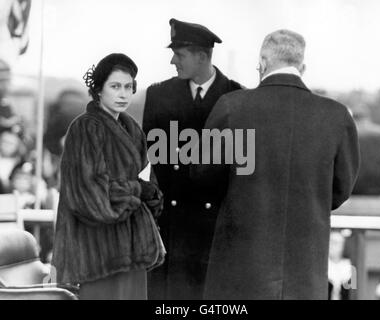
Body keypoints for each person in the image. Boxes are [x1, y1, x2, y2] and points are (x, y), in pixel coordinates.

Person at [193, 29, 360, 299]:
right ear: (302, 67)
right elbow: (341, 189)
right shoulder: (336, 116)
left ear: (263, 61)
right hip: (305, 274)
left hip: (240, 271)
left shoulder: (231, 107)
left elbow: (202, 176)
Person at [142, 18, 243, 300]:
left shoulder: (237, 96)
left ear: (202, 56)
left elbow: (240, 168)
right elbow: (151, 158)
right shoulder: (159, 95)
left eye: (180, 54)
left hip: (213, 232)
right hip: (170, 229)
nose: (173, 61)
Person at [51, 53, 165, 300]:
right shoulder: (84, 128)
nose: (123, 94)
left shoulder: (132, 128)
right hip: (99, 252)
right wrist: (137, 191)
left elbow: (145, 179)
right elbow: (89, 197)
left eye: (128, 87)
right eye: (115, 86)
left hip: (132, 250)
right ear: (99, 90)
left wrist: (149, 192)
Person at [328, 231, 353, 300]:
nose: (331, 246)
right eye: (330, 242)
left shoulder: (350, 266)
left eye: (335, 243)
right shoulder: (323, 266)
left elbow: (354, 290)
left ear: (343, 246)